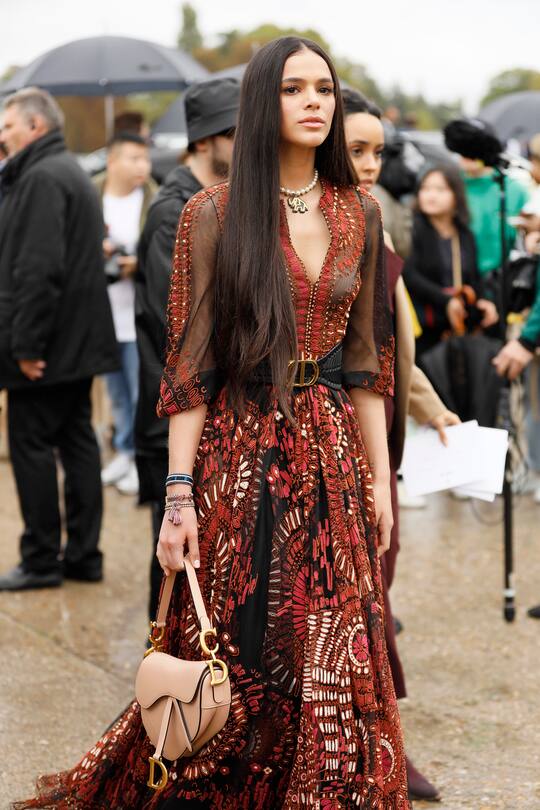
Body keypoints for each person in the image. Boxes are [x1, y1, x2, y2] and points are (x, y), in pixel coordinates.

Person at [17, 38, 410, 808]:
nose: (313, 102)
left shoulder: (358, 211)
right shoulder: (212, 213)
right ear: (263, 102)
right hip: (241, 441)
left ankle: (323, 789)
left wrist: (380, 481)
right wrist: (178, 495)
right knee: (243, 631)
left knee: (334, 634)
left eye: (324, 89)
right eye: (294, 88)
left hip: (329, 442)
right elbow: (189, 371)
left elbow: (369, 363)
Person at [343, 87, 460, 803]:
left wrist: (430, 406)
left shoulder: (376, 223)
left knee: (378, 586)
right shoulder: (320, 227)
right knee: (360, 601)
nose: (367, 163)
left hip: (383, 428)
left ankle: (374, 737)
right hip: (338, 436)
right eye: (355, 150)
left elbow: (391, 343)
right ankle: (378, 743)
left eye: (377, 152)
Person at [0, 87, 118, 591]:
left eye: (7, 126)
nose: (2, 134)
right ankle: (84, 555)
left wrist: (26, 347)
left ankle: (42, 559)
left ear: (35, 127)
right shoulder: (67, 171)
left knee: (31, 445)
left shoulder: (43, 177)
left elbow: (38, 270)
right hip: (77, 343)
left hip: (48, 349)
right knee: (78, 444)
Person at [135, 76, 239, 618]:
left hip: (209, 413)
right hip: (172, 414)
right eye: (233, 132)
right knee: (174, 560)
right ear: (204, 140)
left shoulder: (226, 205)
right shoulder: (173, 212)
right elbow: (174, 331)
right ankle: (166, 676)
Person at [94, 133, 158, 495]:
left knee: (140, 392)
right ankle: (122, 449)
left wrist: (140, 264)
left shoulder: (152, 198)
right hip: (103, 314)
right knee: (115, 391)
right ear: (113, 160)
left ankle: (138, 458)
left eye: (145, 159)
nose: (142, 167)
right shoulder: (92, 194)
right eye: (134, 159)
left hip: (138, 313)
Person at [404, 164, 498, 358]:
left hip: (458, 326)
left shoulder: (464, 234)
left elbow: (473, 276)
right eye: (425, 188)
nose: (431, 195)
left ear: (456, 195)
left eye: (440, 189)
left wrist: (484, 301)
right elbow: (409, 276)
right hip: (424, 328)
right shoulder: (412, 230)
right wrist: (446, 300)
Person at [460, 154, 529, 290]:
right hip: (459, 279)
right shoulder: (451, 186)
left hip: (503, 281)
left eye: (472, 150)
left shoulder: (513, 189)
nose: (467, 156)